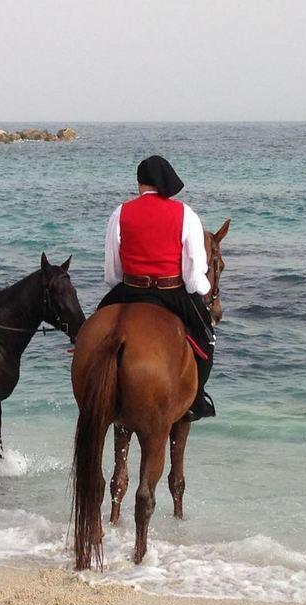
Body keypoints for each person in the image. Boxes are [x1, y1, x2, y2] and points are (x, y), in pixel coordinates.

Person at [99, 155, 216, 422]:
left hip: (129, 289)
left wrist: (124, 286)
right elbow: (193, 273)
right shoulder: (186, 214)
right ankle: (195, 399)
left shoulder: (120, 212)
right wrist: (202, 287)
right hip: (172, 292)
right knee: (207, 337)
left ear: (140, 183)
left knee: (92, 329)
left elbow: (112, 271)